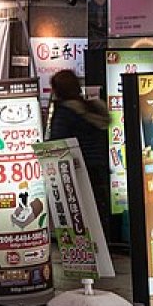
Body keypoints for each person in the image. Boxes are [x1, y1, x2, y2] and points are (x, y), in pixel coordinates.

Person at [46, 69, 112, 233]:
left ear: (58, 90)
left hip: (75, 171)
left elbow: (57, 144)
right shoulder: (93, 109)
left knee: (79, 217)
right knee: (97, 212)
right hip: (98, 169)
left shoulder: (64, 114)